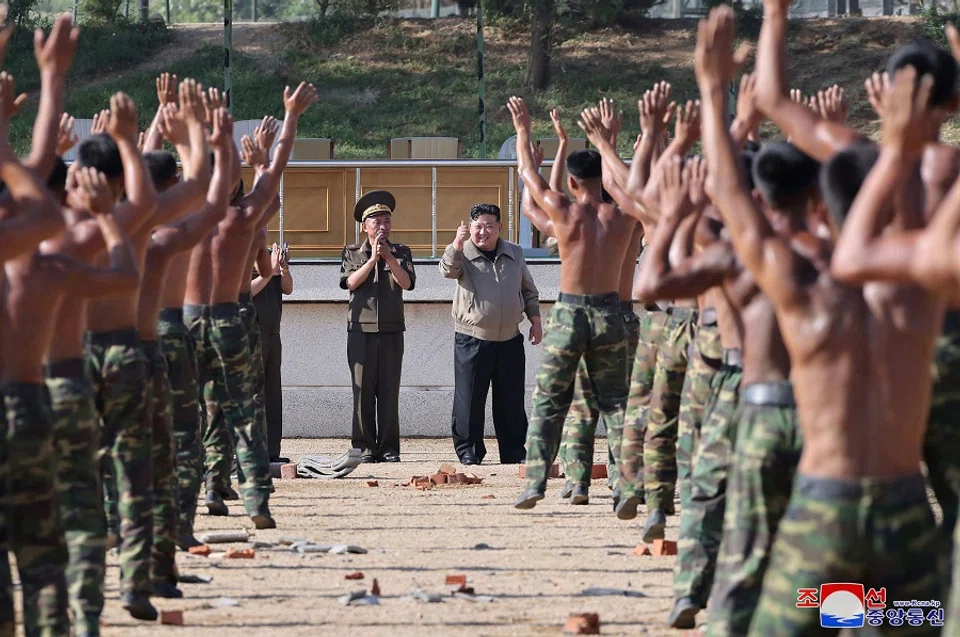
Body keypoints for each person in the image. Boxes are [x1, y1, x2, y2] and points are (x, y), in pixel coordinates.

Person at [696, 8, 944, 635]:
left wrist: (710, 86)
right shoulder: (922, 286)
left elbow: (728, 195)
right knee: (907, 621)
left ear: (820, 211)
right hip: (905, 514)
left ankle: (842, 612)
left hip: (824, 512)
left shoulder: (803, 290)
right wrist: (904, 152)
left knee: (799, 617)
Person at [187, 82, 316, 525]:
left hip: (189, 318)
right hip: (229, 316)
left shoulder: (182, 217)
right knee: (244, 407)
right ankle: (256, 496)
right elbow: (276, 170)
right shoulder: (245, 222)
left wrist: (199, 126)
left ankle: (204, 489)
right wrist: (290, 117)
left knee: (200, 407)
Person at [507, 96, 636, 509]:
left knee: (550, 397)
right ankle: (627, 485)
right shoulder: (621, 218)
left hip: (570, 310)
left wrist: (524, 129)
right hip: (610, 310)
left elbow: (529, 179)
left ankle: (535, 483)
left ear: (574, 183)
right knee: (616, 402)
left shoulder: (563, 213)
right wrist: (608, 142)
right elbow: (628, 188)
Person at [439, 203, 541, 465]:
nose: (483, 232)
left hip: (510, 337)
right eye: (477, 226)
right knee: (470, 400)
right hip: (473, 338)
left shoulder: (515, 252)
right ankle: (469, 451)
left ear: (499, 228)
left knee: (511, 400)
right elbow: (447, 271)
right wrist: (457, 245)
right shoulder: (462, 252)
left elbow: (528, 290)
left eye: (489, 226)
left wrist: (535, 320)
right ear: (470, 227)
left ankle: (514, 451)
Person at [340, 190, 416, 463]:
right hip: (360, 331)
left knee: (388, 391)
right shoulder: (351, 252)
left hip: (392, 330)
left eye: (386, 221)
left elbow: (406, 283)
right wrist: (372, 259)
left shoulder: (402, 252)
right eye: (376, 221)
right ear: (364, 225)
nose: (382, 226)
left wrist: (389, 259)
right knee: (362, 392)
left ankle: (388, 448)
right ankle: (363, 448)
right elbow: (350, 283)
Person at [253, 240, 293, 463]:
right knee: (254, 395)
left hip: (272, 332)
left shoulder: (270, 255)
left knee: (272, 393)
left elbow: (287, 288)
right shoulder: (240, 254)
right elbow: (244, 292)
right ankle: (253, 452)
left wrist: (283, 268)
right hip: (251, 332)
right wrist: (268, 272)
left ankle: (271, 451)